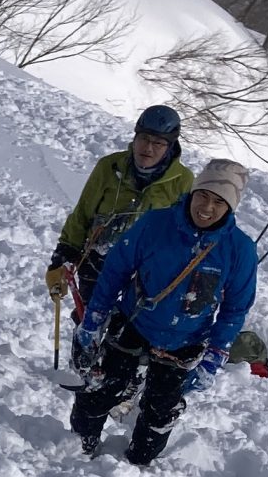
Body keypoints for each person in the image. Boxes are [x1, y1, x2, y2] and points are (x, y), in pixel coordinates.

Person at [68, 158, 259, 466]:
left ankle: (138, 464)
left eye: (219, 203)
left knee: (161, 412)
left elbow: (235, 308)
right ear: (193, 192)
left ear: (231, 208)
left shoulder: (239, 249)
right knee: (102, 388)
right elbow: (115, 270)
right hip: (135, 322)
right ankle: (78, 446)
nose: (207, 208)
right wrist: (93, 319)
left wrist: (215, 355)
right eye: (203, 196)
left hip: (185, 340)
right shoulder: (156, 224)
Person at [44, 106, 193, 323]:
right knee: (89, 329)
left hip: (145, 276)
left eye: (158, 143)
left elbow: (183, 234)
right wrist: (63, 256)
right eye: (144, 138)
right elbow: (83, 214)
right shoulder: (109, 167)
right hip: (97, 266)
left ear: (170, 146)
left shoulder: (183, 181)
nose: (148, 148)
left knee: (124, 339)